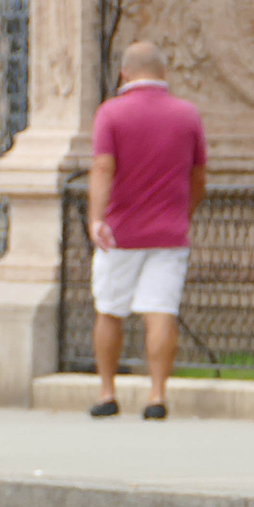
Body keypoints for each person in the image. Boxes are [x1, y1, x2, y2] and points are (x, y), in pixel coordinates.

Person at [88, 40, 207, 419]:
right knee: (160, 312)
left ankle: (107, 392)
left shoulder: (111, 114)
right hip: (169, 233)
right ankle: (157, 396)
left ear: (125, 74)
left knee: (109, 310)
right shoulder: (187, 115)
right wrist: (182, 212)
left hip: (119, 232)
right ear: (164, 73)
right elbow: (198, 175)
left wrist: (96, 218)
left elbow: (103, 168)